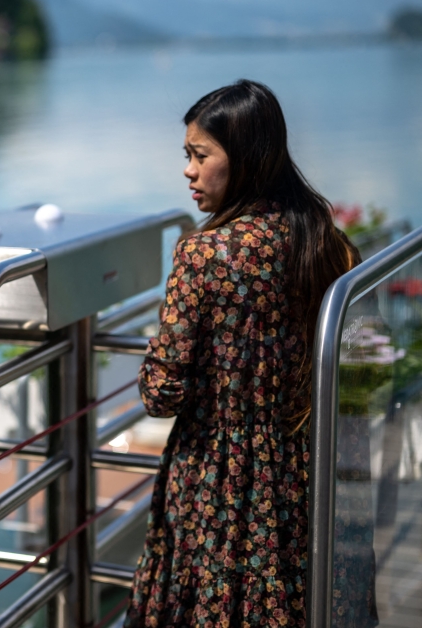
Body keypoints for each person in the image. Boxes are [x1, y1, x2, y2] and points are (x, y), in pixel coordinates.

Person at [124, 80, 370, 627]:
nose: (188, 170)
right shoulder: (318, 236)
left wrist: (158, 353)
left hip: (220, 477)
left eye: (200, 155)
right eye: (187, 156)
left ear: (245, 157)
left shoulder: (203, 253)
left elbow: (160, 395)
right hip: (298, 465)